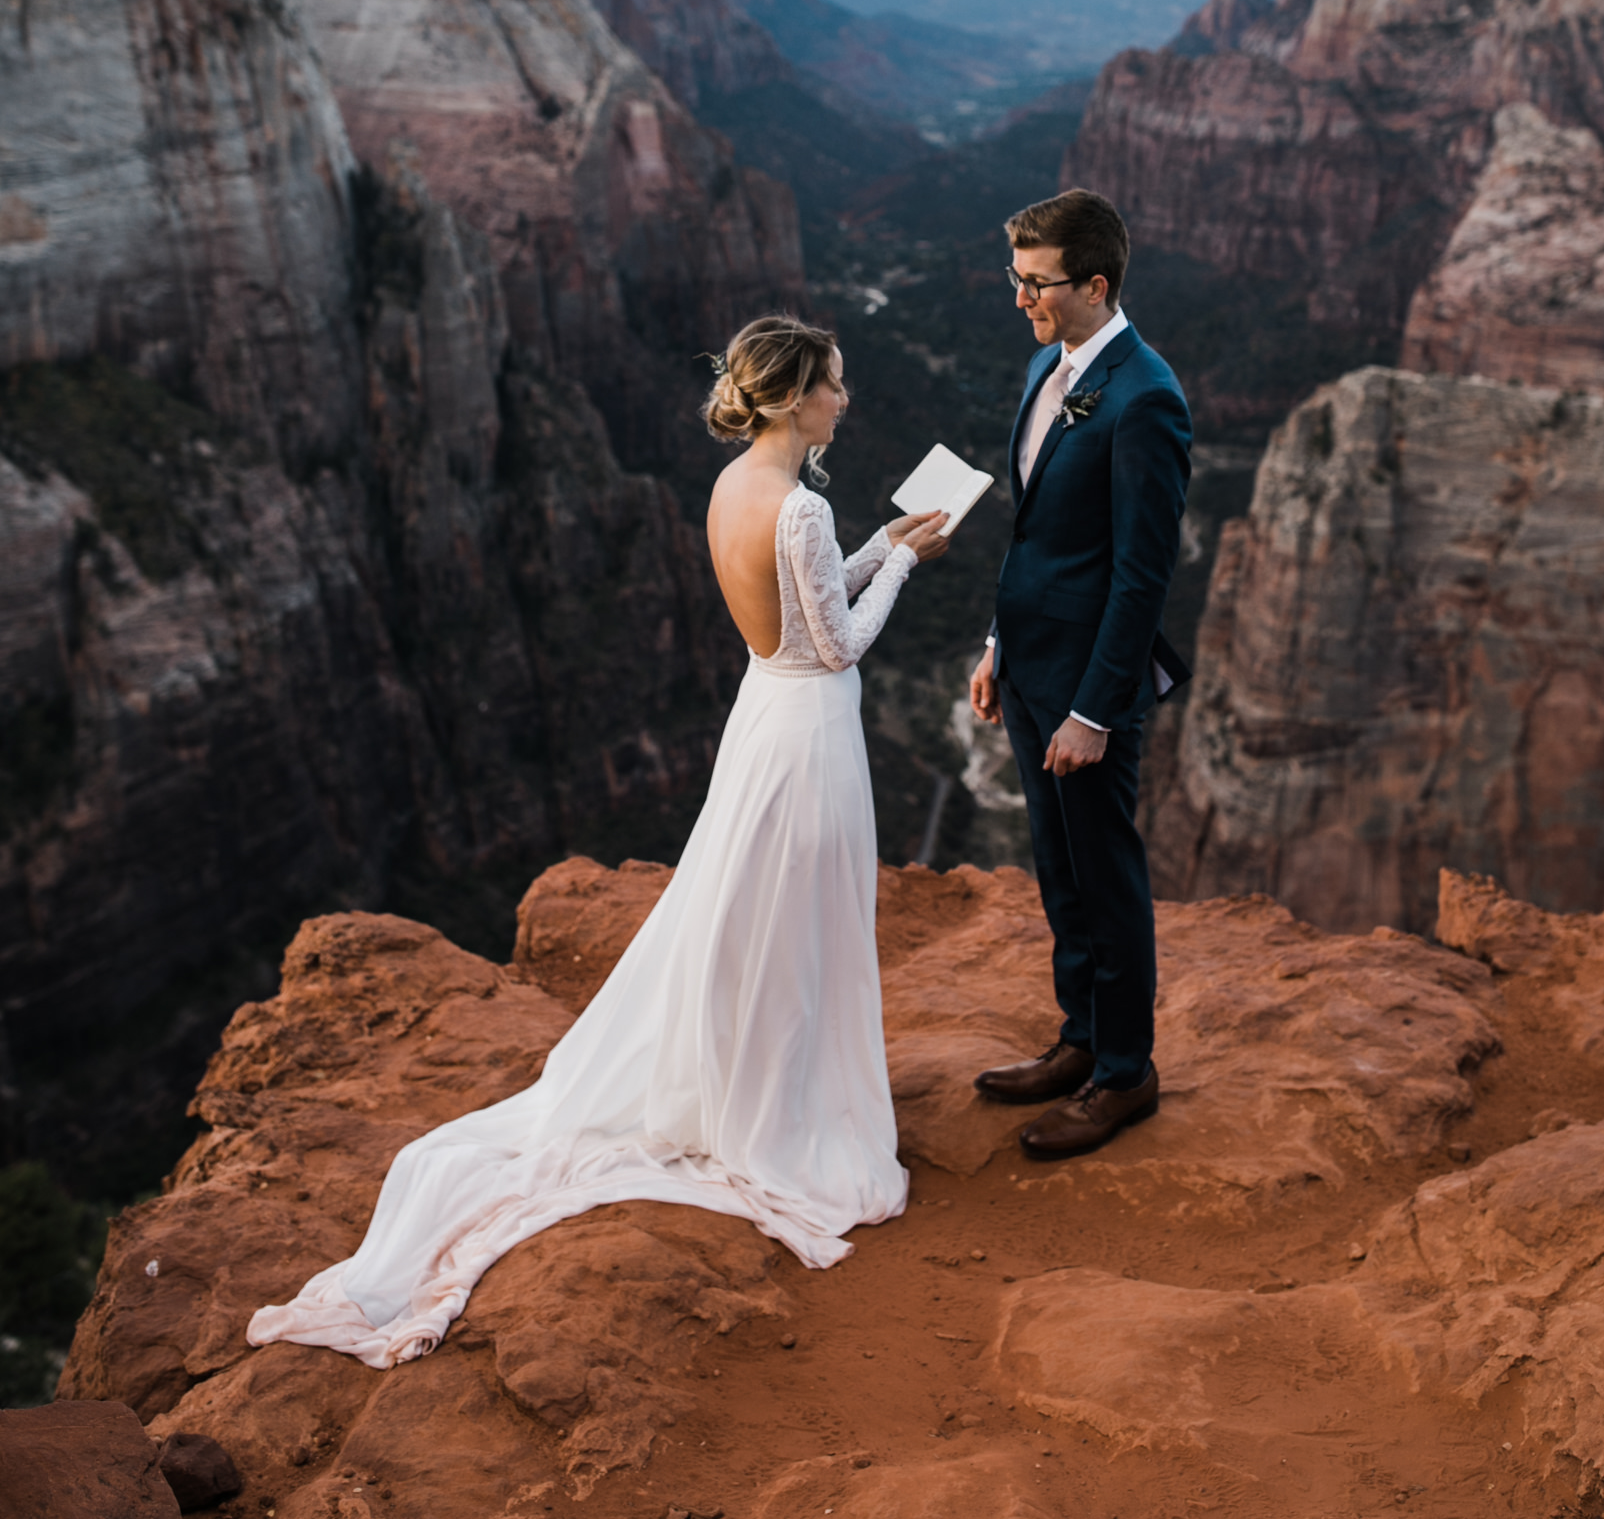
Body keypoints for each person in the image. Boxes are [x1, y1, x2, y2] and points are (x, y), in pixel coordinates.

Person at [247, 315, 948, 1368]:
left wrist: (881, 542)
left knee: (754, 909)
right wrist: (908, 566)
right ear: (796, 396)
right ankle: (784, 1112)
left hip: (763, 715)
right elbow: (837, 642)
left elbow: (798, 615)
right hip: (809, 731)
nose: (844, 399)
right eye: (833, 386)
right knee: (800, 917)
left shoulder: (735, 489)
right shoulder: (798, 504)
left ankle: (750, 1082)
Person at [968, 188, 1191, 1161]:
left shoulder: (1144, 399)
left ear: (1094, 285)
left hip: (1084, 692)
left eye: (1036, 283)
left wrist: (1094, 709)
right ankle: (1078, 1036)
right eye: (1014, 279)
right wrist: (994, 646)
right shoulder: (1043, 366)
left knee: (1103, 871)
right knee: (1057, 869)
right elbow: (1035, 535)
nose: (1019, 299)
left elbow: (1141, 575)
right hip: (1026, 667)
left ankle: (1123, 1072)